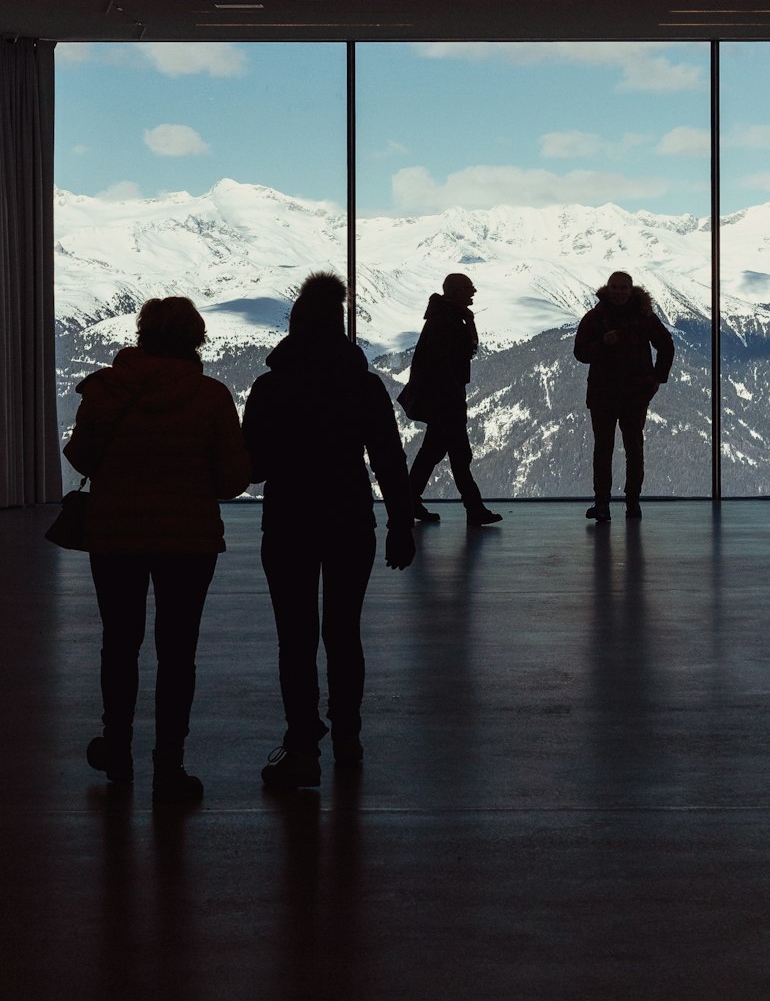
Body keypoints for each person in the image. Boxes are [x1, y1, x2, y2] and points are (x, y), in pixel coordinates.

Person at [66, 296, 250, 804]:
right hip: (188, 538)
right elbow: (234, 479)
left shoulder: (106, 390)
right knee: (177, 651)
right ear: (195, 338)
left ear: (143, 333)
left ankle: (118, 748)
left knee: (119, 642)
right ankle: (169, 762)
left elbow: (81, 455)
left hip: (115, 533)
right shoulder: (211, 397)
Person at [242, 272, 416, 790]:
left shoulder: (272, 387)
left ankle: (301, 744)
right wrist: (400, 524)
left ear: (294, 325)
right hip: (349, 516)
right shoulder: (363, 384)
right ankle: (348, 738)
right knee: (344, 633)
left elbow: (253, 468)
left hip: (289, 518)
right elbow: (388, 457)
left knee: (295, 637)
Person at [573, 271, 675, 521]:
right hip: (624, 393)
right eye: (615, 287)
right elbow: (580, 353)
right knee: (628, 448)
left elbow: (666, 344)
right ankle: (628, 504)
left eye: (623, 287)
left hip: (611, 393)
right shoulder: (640, 316)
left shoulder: (597, 317)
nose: (619, 291)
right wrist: (656, 378)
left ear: (630, 289)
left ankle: (608, 504)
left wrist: (656, 378)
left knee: (612, 449)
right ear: (608, 288)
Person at [404, 272, 502, 527]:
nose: (474, 291)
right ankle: (474, 508)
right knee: (459, 455)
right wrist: (454, 398)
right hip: (446, 401)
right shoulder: (447, 321)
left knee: (432, 452)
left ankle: (410, 501)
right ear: (456, 291)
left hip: (443, 400)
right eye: (469, 287)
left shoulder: (445, 318)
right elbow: (442, 365)